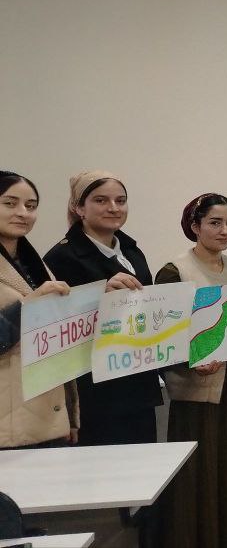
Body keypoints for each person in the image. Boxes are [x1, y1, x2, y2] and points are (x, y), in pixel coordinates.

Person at [153, 193, 227, 547]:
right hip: (197, 388)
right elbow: (163, 336)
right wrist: (191, 360)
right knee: (199, 468)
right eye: (215, 223)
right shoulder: (174, 271)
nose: (225, 231)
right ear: (195, 226)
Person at [43, 171, 159, 446]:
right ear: (79, 207)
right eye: (101, 200)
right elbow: (55, 329)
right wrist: (99, 297)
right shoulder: (61, 257)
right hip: (96, 393)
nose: (113, 208)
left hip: (138, 384)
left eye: (121, 200)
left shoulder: (131, 251)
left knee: (145, 467)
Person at [0, 172, 79, 450]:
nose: (23, 213)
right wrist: (28, 307)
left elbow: (59, 344)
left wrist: (70, 415)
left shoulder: (36, 264)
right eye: (10, 203)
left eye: (31, 206)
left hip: (48, 416)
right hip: (9, 426)